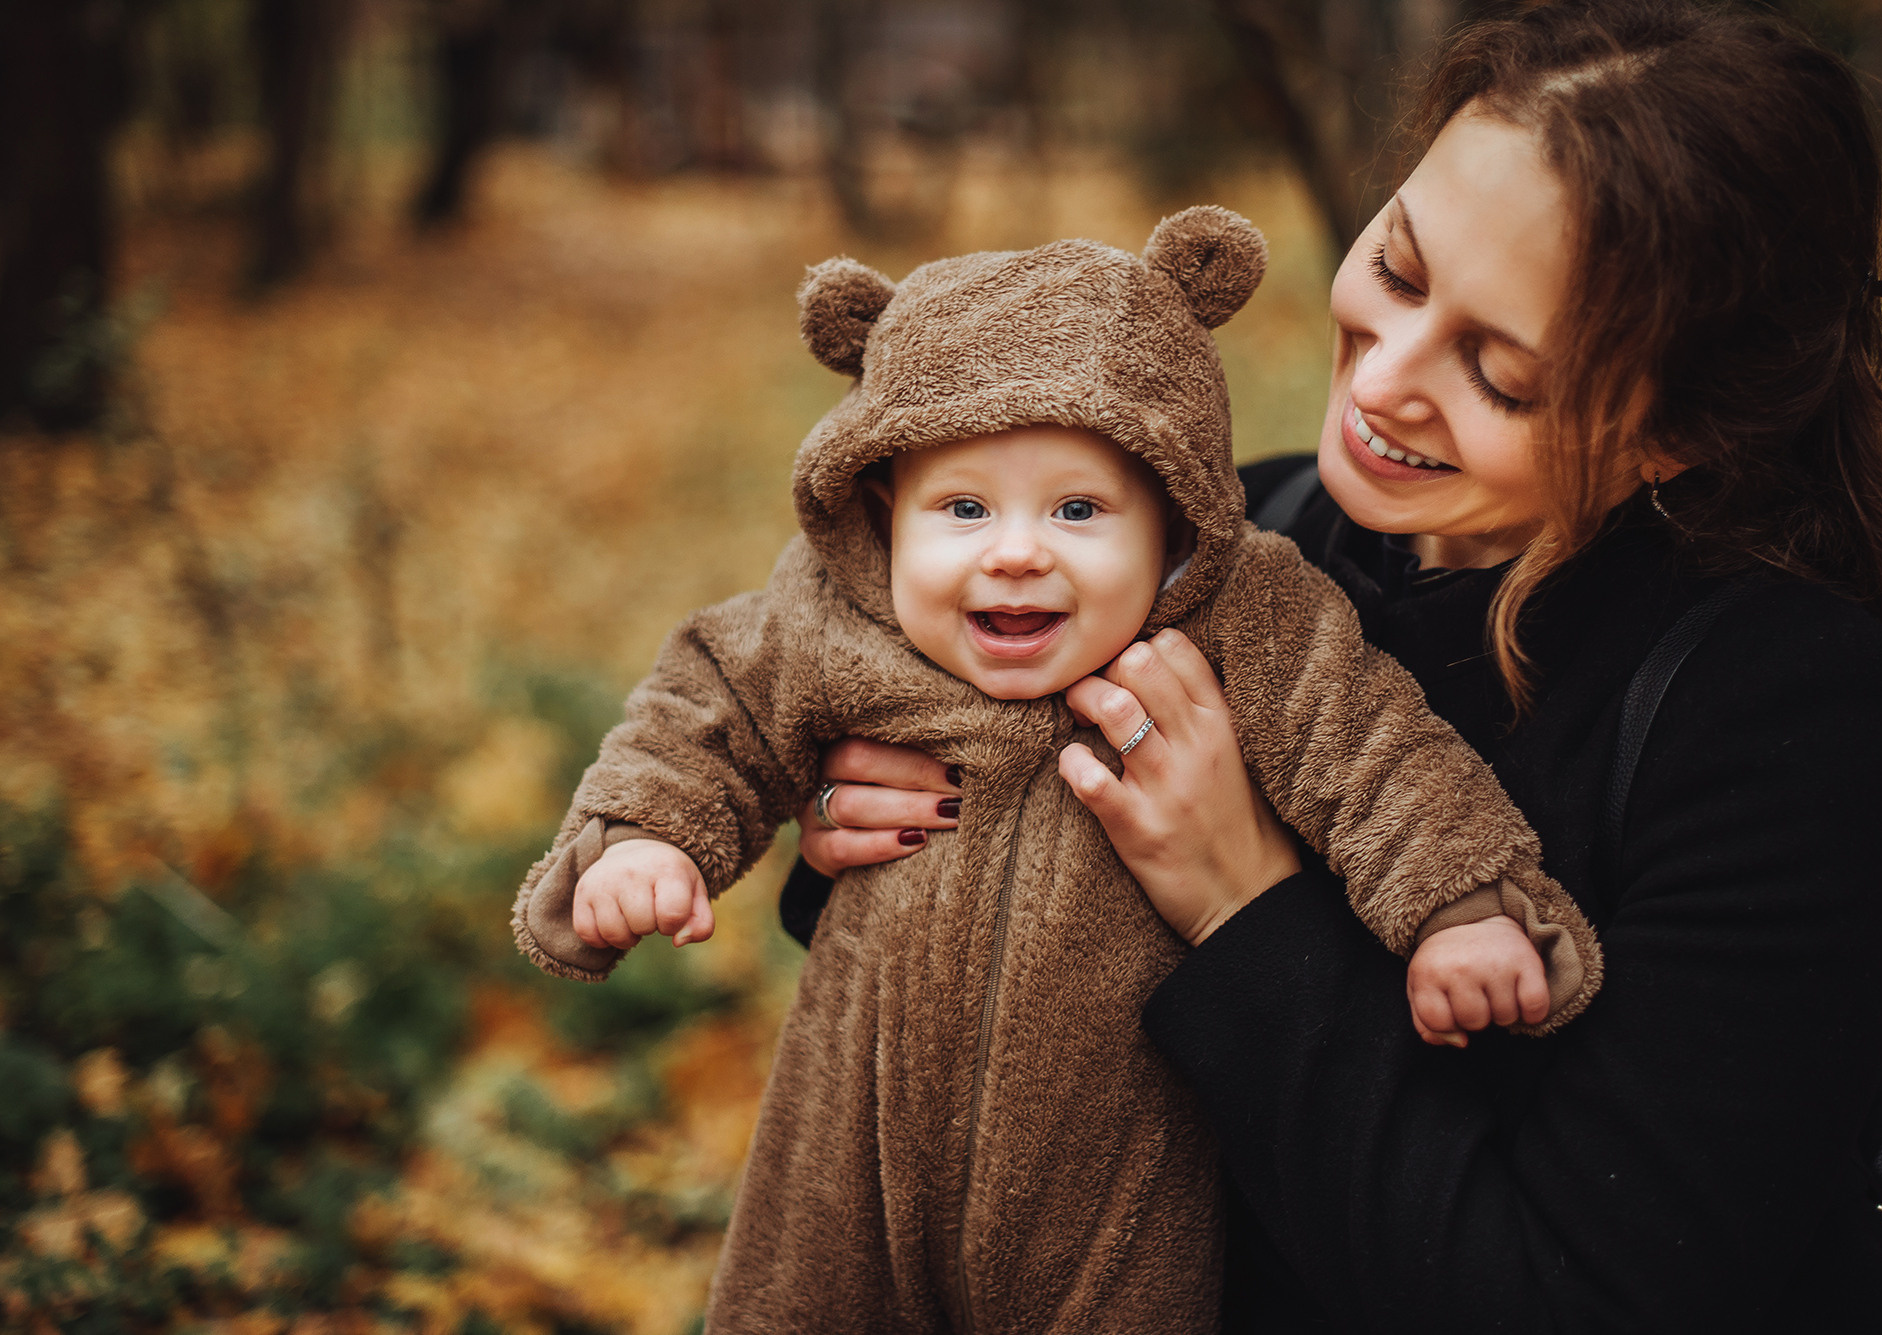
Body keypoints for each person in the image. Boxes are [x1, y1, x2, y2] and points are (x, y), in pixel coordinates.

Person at [779, 1, 1882, 1328]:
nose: (1385, 378)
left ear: (1677, 429)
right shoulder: (1244, 531)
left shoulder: (1792, 718)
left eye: (1500, 374)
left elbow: (1579, 1292)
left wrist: (1241, 903)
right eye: (1397, 268)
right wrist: (871, 836)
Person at [510, 207, 1606, 1332]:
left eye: (1078, 509)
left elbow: (1371, 750)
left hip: (1108, 1177)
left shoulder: (1249, 623)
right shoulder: (831, 618)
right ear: (883, 514)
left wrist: (1460, 908)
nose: (1016, 550)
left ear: (1171, 525)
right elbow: (710, 706)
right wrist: (641, 835)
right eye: (963, 508)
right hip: (852, 1145)